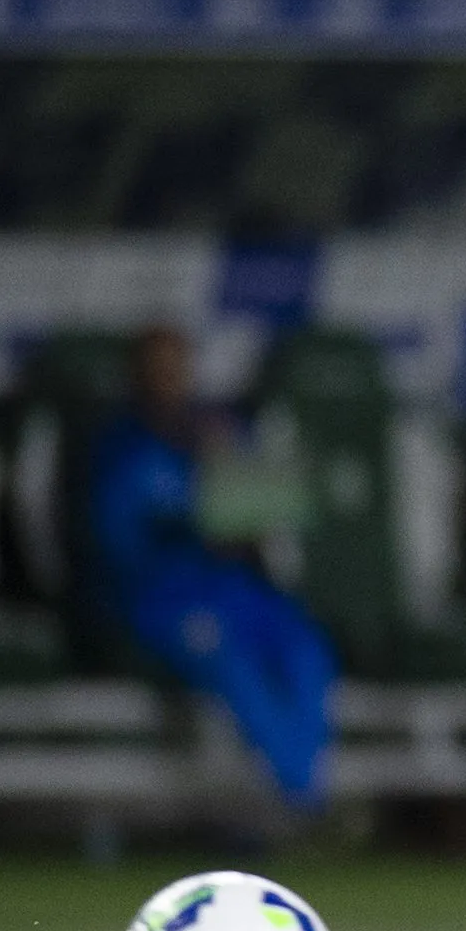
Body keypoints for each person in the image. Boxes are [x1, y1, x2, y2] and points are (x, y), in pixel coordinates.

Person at [89, 326, 339, 808]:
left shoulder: (214, 427)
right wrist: (209, 498)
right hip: (160, 597)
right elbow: (137, 524)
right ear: (137, 377)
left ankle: (306, 787)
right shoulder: (121, 444)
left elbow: (271, 506)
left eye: (177, 370)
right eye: (158, 371)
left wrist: (247, 499)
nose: (169, 382)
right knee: (233, 664)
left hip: (232, 590)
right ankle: (300, 797)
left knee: (307, 649)